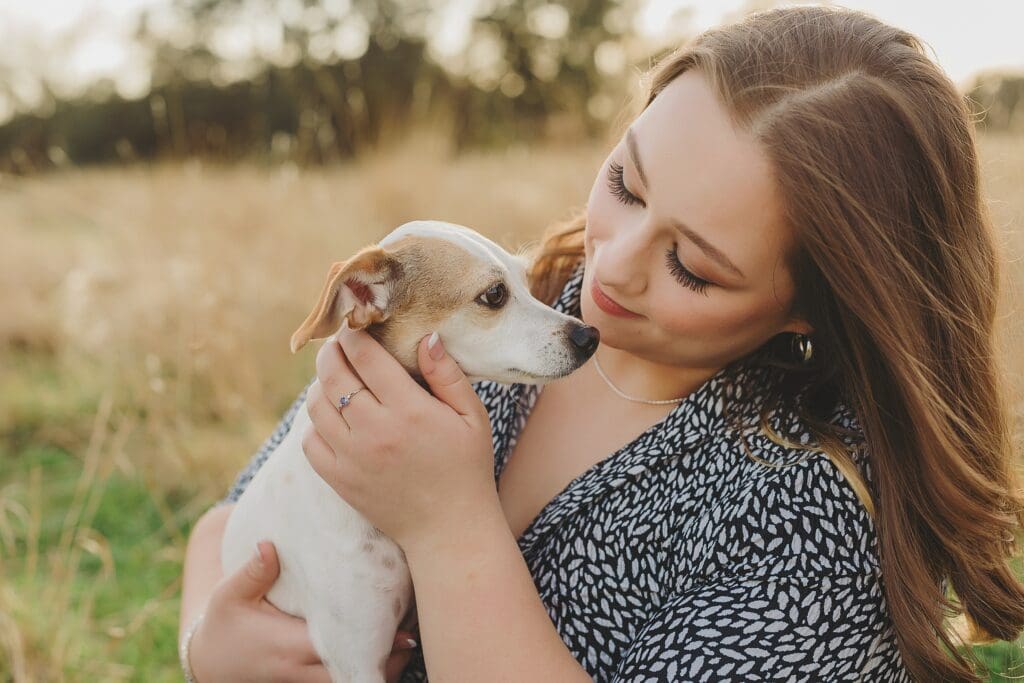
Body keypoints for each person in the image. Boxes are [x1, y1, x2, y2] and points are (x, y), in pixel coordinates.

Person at [178, 6, 1024, 682]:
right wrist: (206, 642)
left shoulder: (809, 531)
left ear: (816, 307)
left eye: (691, 265)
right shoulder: (507, 311)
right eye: (625, 181)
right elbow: (233, 517)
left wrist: (447, 526)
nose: (608, 261)